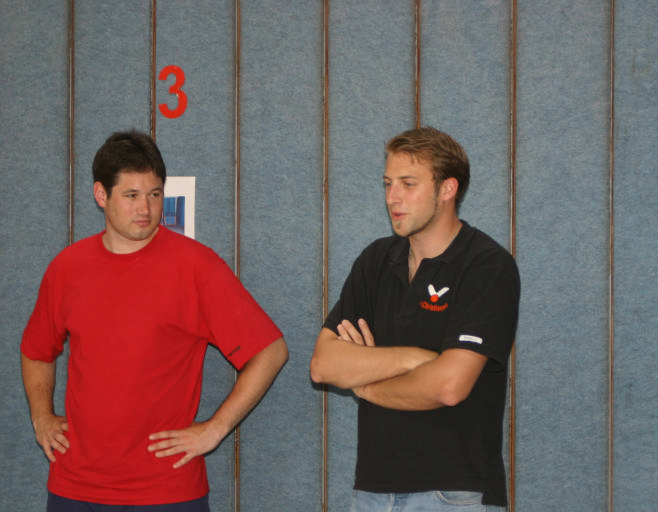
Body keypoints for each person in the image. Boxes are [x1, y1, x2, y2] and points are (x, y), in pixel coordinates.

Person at [21, 130, 288, 511]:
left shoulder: (197, 267)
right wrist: (42, 417)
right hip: (75, 487)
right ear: (101, 195)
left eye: (154, 194)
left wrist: (214, 430)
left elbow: (271, 351)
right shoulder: (67, 268)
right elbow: (36, 350)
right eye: (131, 195)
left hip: (167, 490)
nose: (145, 208)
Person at [310, 126, 520, 511]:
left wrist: (366, 385)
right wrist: (414, 359)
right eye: (388, 183)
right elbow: (324, 365)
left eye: (408, 184)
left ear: (447, 188)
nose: (393, 197)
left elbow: (449, 386)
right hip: (372, 492)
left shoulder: (487, 267)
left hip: (455, 492)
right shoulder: (375, 261)